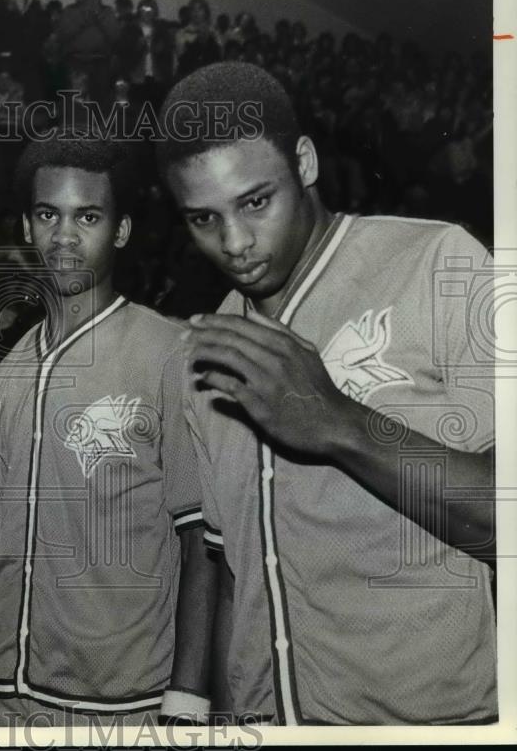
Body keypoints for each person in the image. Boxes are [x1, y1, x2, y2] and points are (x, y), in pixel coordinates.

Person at [156, 62, 496, 725]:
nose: (234, 243)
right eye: (204, 219)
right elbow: (231, 579)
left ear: (304, 162)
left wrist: (341, 423)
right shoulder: (202, 353)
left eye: (256, 201)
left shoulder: (438, 263)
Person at [0, 133, 219, 725]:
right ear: (27, 227)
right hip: (4, 692)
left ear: (120, 230)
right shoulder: (13, 365)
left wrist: (189, 700)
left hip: (122, 699)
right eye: (48, 214)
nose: (65, 236)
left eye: (88, 217)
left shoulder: (168, 353)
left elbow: (202, 541)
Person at [0, 0, 49, 103]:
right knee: (8, 109)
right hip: (8, 64)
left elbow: (43, 33)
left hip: (32, 65)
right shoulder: (0, 3)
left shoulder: (35, 5)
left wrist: (42, 11)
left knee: (33, 106)